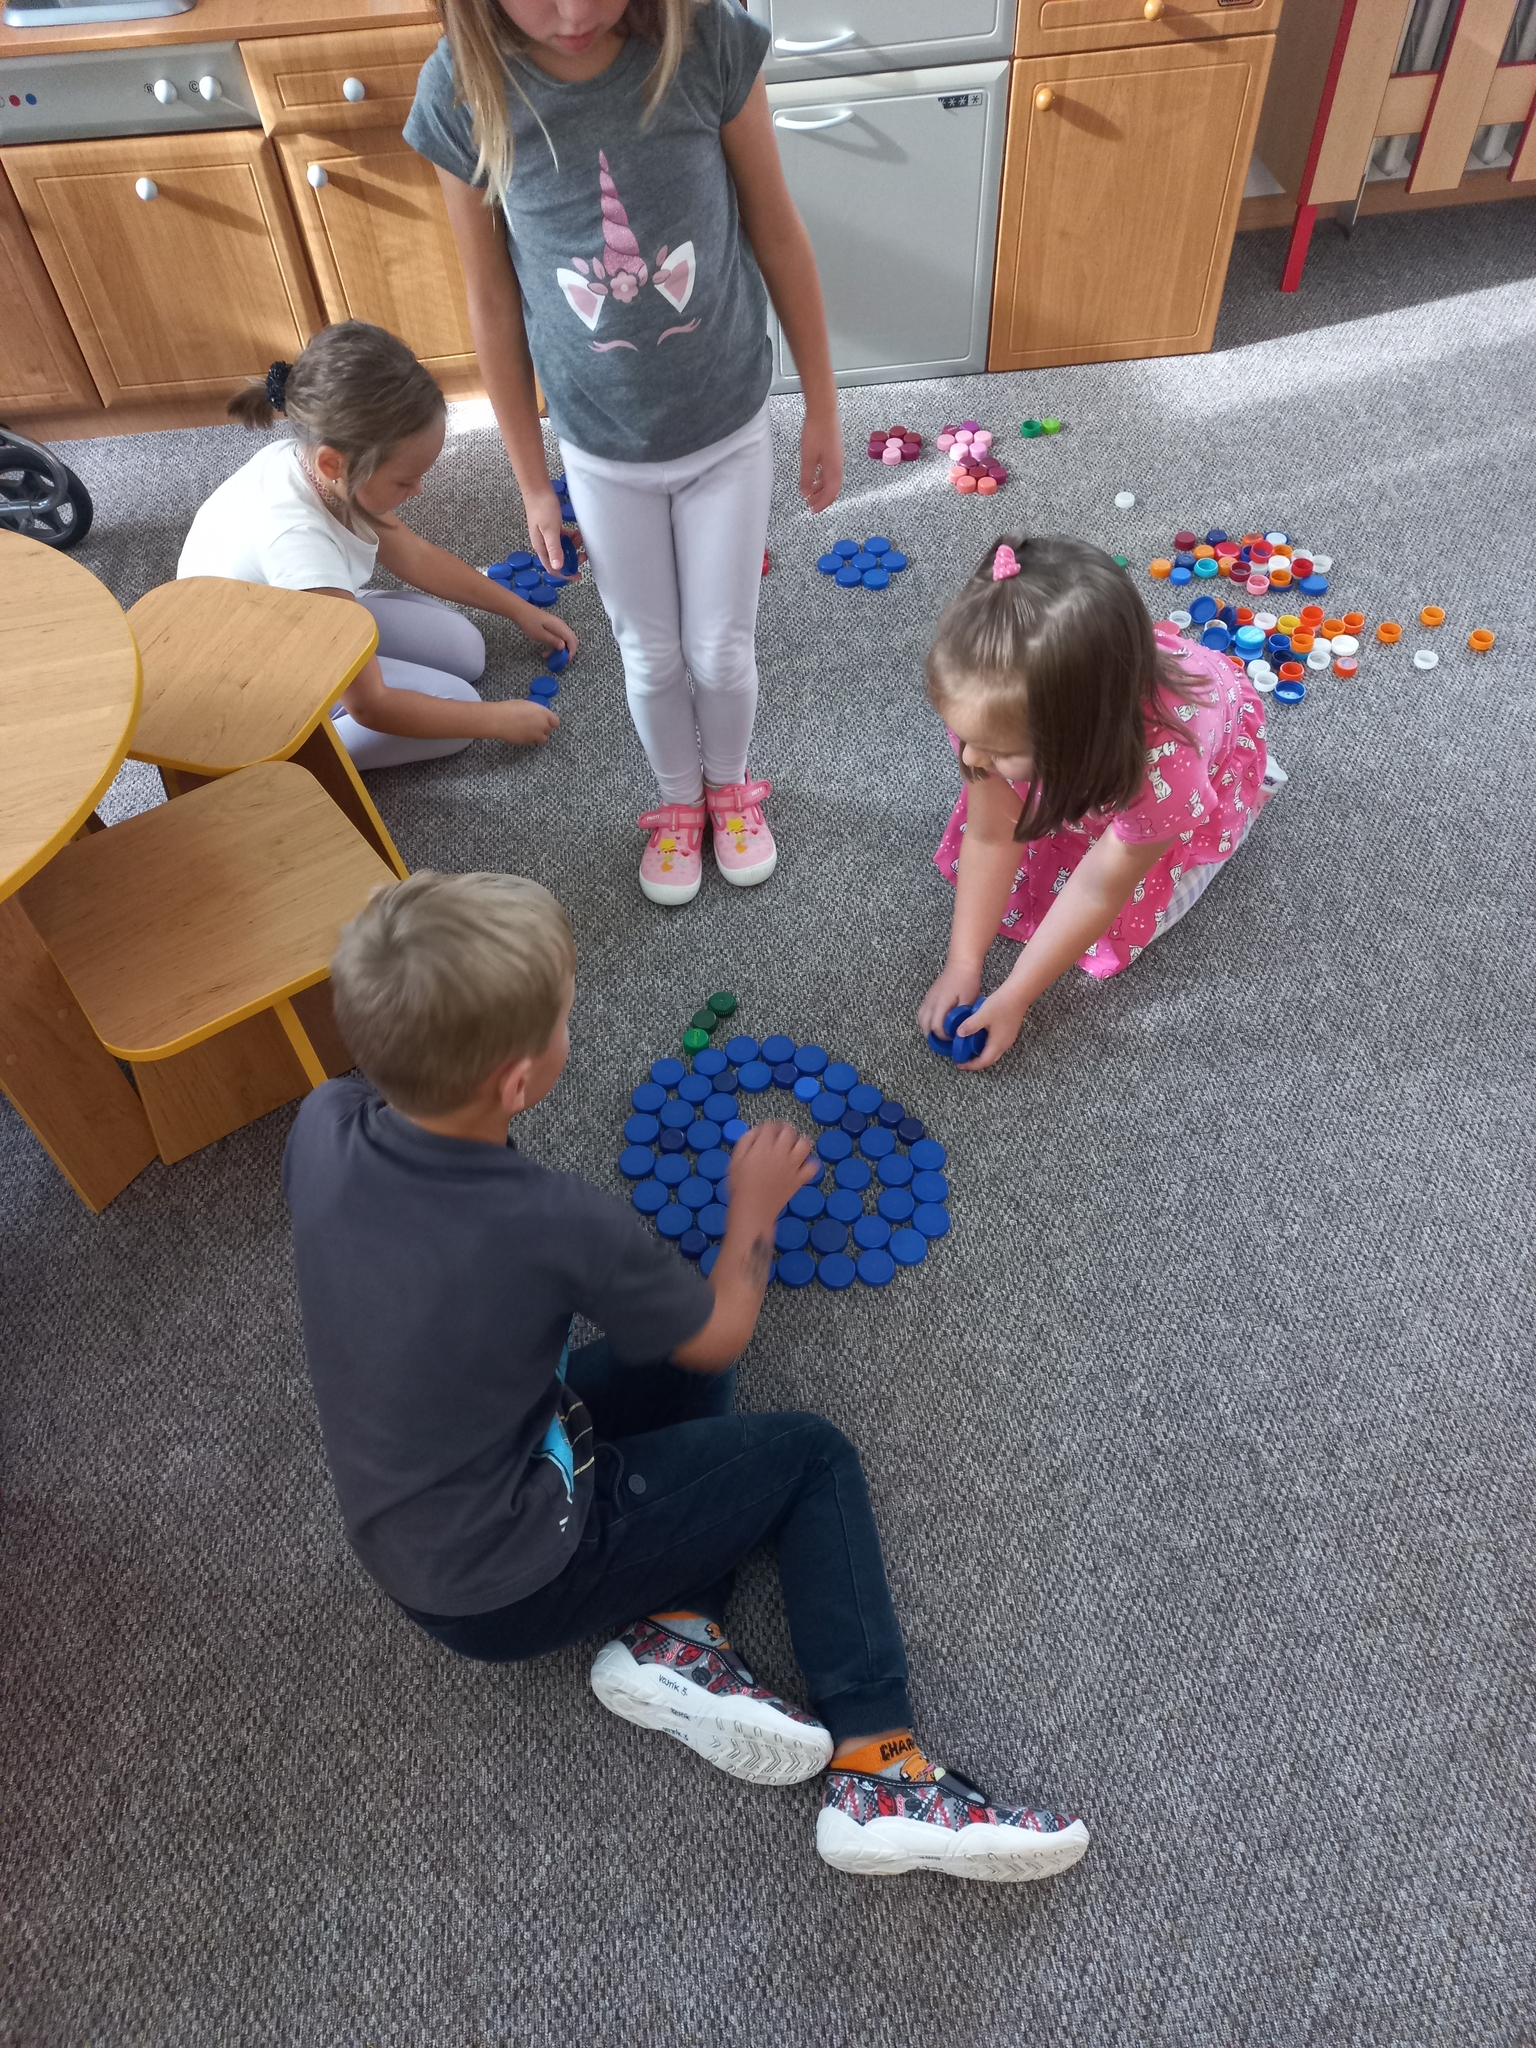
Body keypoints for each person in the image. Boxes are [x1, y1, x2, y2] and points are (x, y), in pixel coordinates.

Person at [282, 869, 1090, 1883]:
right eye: (566, 1015)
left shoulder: (323, 1122)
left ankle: (677, 1636)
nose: (572, 1024)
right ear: (518, 1082)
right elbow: (718, 1334)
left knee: (660, 1357)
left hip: (425, 1515)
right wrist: (753, 1207)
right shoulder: (555, 1223)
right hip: (510, 1575)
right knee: (810, 1456)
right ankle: (881, 1771)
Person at [405, 0, 843, 904]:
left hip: (724, 426)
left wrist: (824, 406)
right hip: (602, 449)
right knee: (649, 657)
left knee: (721, 652)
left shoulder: (707, 41)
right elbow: (491, 302)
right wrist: (532, 481)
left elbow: (777, 231)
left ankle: (730, 787)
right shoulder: (462, 88)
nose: (572, 14)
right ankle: (679, 802)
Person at [919, 535, 1287, 1068]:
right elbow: (992, 833)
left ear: (1078, 740)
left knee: (1132, 913)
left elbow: (1098, 889)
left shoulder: (1165, 769)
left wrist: (1017, 995)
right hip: (1092, 745)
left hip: (1183, 774)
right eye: (966, 735)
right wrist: (964, 961)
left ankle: (1252, 786)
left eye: (995, 749)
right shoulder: (988, 713)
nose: (971, 755)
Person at [179, 320, 575, 772]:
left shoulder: (321, 470)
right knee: (458, 711)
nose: (418, 490)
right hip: (251, 680)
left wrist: (519, 609)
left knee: (466, 649)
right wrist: (496, 720)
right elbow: (371, 706)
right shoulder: (299, 546)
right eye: (405, 480)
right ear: (334, 464)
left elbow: (413, 554)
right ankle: (284, 759)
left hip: (291, 619)